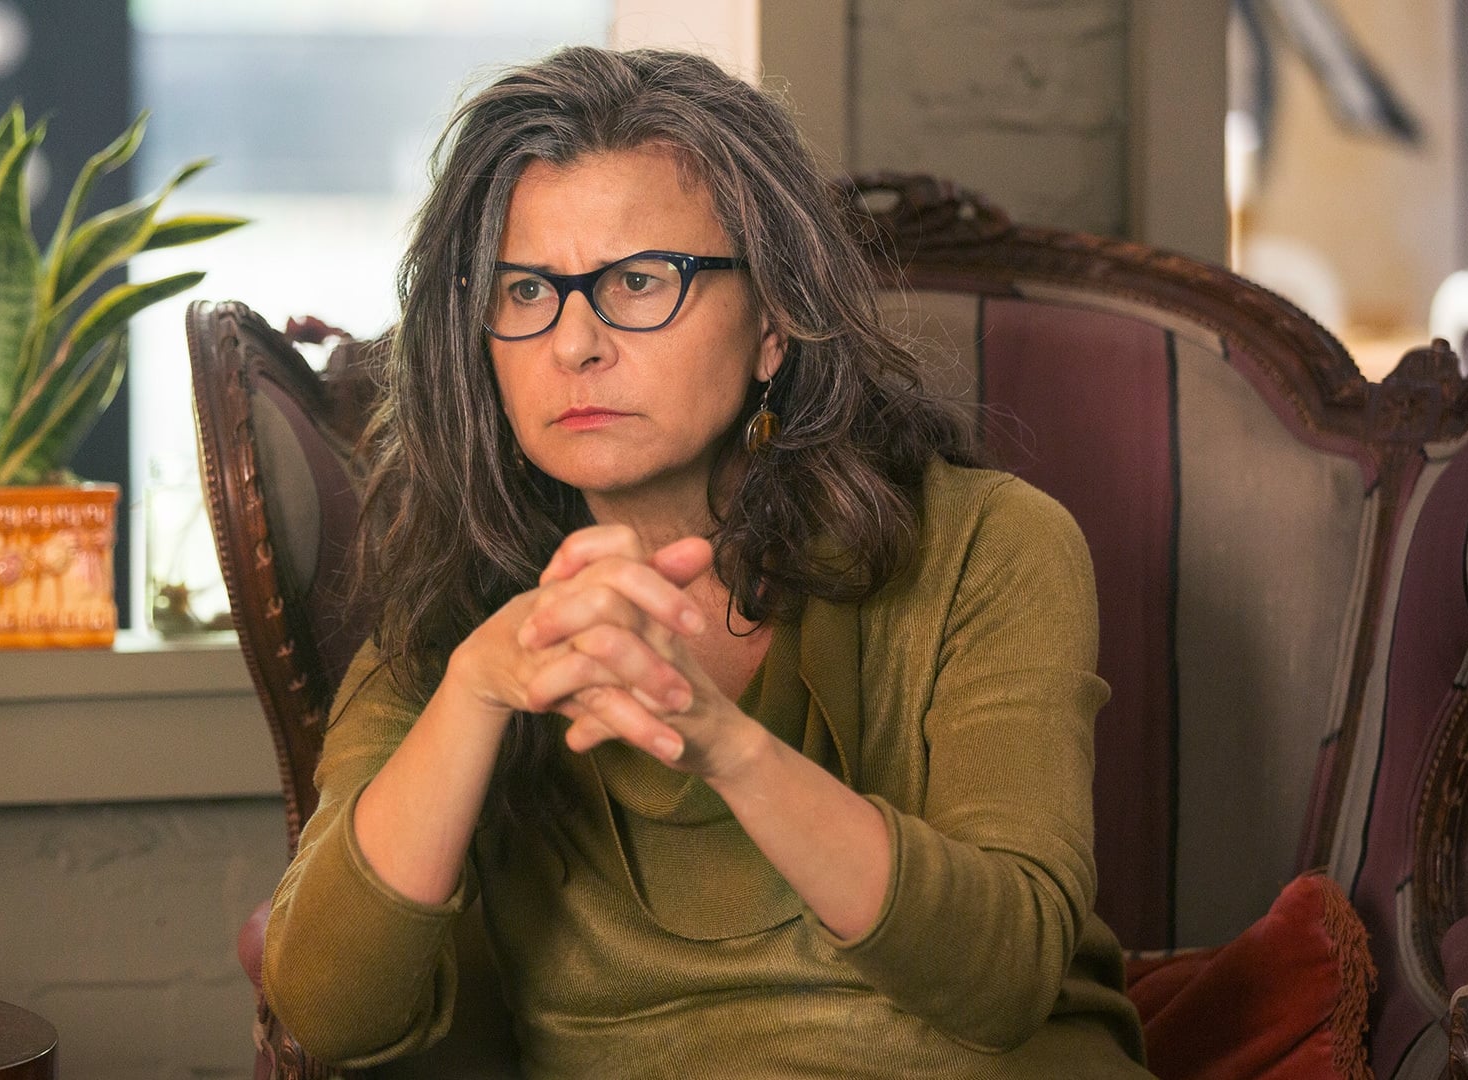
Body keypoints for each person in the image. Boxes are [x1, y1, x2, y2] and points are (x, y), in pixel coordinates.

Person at [262, 45, 1154, 1079]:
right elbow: (326, 1012)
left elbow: (1003, 979)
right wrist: (475, 695)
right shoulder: (456, 607)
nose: (575, 343)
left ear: (773, 322)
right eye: (527, 290)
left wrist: (729, 749)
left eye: (639, 281)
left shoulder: (991, 545)